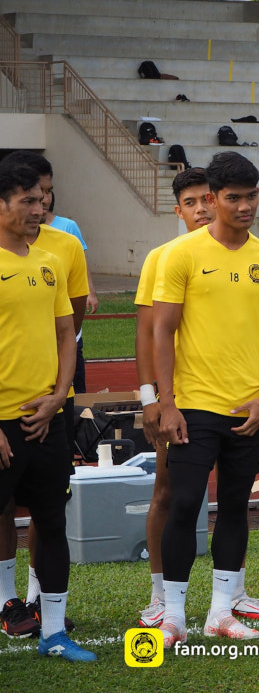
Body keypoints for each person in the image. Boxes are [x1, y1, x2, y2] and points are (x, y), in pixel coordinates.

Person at [153, 152, 259, 647]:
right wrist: (167, 403)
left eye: (252, 195)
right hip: (193, 406)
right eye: (234, 197)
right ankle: (172, 616)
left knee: (235, 506)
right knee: (186, 503)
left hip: (246, 410)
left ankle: (220, 613)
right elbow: (161, 331)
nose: (246, 205)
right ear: (212, 199)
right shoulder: (181, 255)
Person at [0, 163, 94, 662]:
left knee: (52, 522)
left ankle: (53, 631)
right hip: (0, 423)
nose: (40, 210)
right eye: (27, 202)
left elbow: (66, 335)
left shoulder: (51, 262)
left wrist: (59, 396)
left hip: (47, 420)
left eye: (42, 201)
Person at [1, 151, 97, 393]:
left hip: (55, 387)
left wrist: (59, 390)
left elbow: (70, 328)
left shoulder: (66, 245)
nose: (43, 202)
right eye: (31, 197)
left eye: (46, 192)